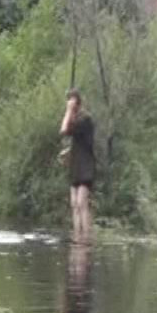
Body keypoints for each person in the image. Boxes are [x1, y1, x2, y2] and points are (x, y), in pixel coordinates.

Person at [60, 88, 95, 244]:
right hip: (75, 165)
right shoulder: (76, 120)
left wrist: (68, 110)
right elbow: (77, 140)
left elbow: (64, 130)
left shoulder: (85, 119)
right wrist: (68, 151)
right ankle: (77, 234)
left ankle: (86, 237)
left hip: (86, 166)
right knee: (74, 204)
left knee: (82, 203)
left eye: (72, 102)